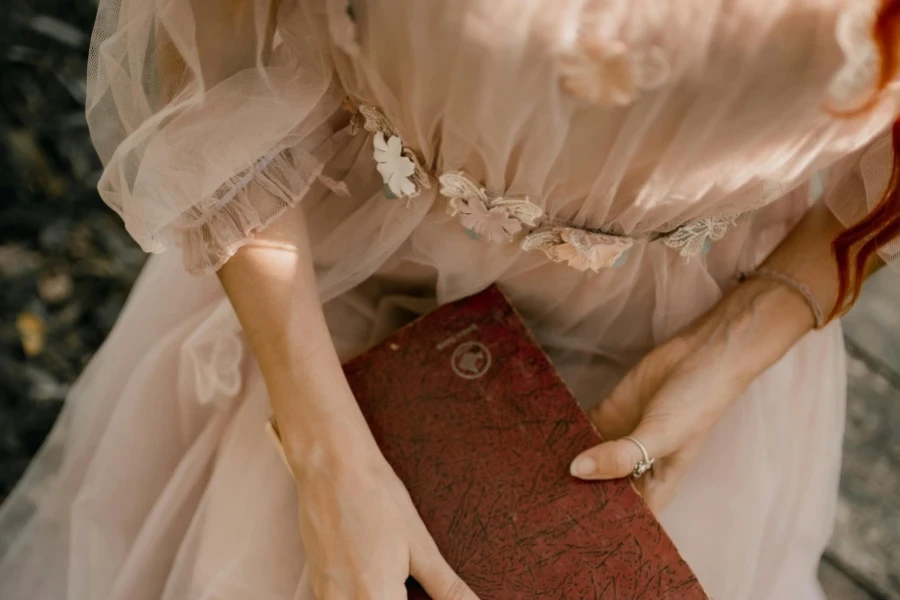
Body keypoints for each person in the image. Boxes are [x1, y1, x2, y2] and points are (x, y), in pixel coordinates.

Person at [1, 0, 898, 598]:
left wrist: (745, 336)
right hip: (336, 287)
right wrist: (326, 459)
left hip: (695, 333)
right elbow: (214, 55)